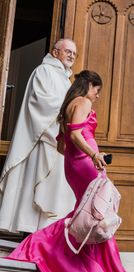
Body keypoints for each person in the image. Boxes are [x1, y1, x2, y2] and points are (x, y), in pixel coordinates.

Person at [5, 71, 132, 272]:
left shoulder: (69, 105)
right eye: (97, 90)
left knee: (87, 215)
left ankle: (93, 265)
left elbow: (63, 145)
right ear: (89, 85)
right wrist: (93, 155)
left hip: (74, 164)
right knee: (97, 214)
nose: (97, 95)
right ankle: (43, 246)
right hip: (88, 163)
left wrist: (79, 158)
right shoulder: (83, 102)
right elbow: (75, 135)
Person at [0, 39, 77, 233]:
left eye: (74, 54)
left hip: (58, 141)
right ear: (54, 52)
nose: (71, 56)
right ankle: (31, 231)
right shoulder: (44, 71)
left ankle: (47, 232)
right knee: (38, 185)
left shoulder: (65, 79)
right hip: (44, 139)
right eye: (67, 51)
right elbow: (42, 103)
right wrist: (70, 112)